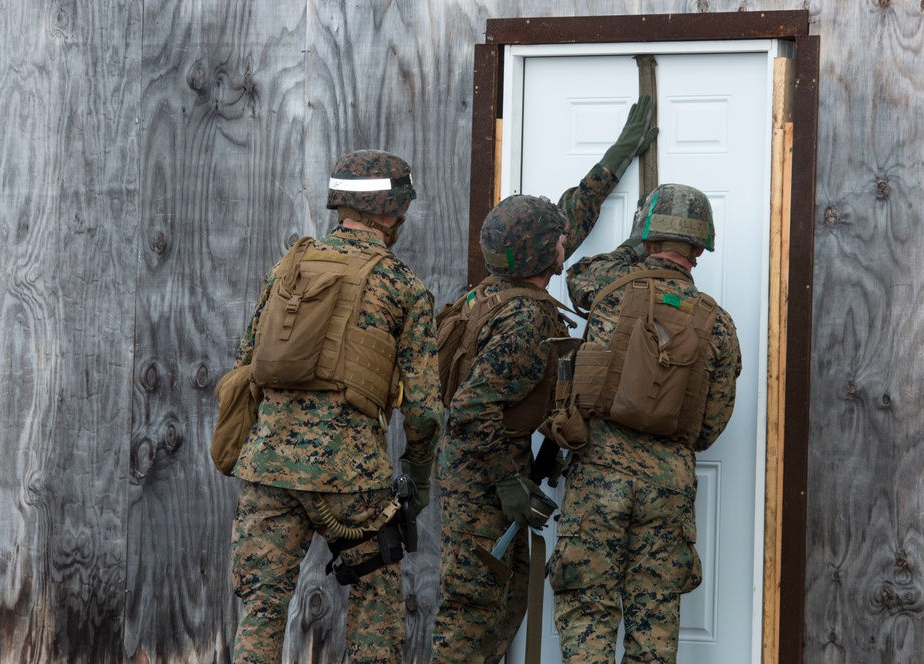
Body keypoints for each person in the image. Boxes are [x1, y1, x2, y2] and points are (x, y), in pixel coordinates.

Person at [430, 97, 658, 663]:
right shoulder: (528, 319)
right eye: (559, 242)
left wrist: (617, 156)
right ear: (542, 255)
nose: (568, 242)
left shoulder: (496, 286)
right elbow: (470, 411)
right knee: (471, 619)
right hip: (483, 484)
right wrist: (510, 481)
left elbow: (567, 215)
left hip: (477, 477)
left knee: (500, 609)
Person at [228, 149, 443, 664]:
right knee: (375, 604)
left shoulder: (290, 267)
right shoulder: (403, 285)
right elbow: (425, 409)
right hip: (354, 478)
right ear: (392, 211)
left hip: (268, 469)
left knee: (261, 607)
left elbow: (245, 361)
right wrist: (417, 475)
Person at [547, 183, 742, 663]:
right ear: (699, 249)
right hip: (668, 488)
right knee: (654, 624)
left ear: (645, 236)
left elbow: (578, 274)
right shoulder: (718, 324)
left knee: (588, 613)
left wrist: (634, 246)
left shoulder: (610, 290)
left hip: (599, 477)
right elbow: (709, 426)